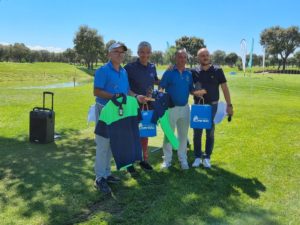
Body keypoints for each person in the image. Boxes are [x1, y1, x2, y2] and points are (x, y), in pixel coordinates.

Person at [93, 42, 139, 193]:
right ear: (109, 54)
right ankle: (99, 178)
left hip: (118, 112)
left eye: (122, 52)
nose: (120, 54)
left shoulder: (123, 71)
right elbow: (97, 91)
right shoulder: (103, 71)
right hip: (104, 110)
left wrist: (137, 96)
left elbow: (127, 91)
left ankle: (107, 174)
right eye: (116, 51)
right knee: (102, 145)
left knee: (112, 144)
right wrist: (114, 96)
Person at [159, 49, 206, 170]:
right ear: (176, 58)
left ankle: (183, 159)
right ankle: (167, 160)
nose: (182, 59)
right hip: (170, 108)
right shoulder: (169, 72)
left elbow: (191, 89)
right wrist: (160, 102)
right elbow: (161, 87)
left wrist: (198, 93)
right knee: (169, 135)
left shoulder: (188, 74)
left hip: (185, 108)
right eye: (180, 57)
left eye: (185, 57)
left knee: (183, 136)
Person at [191, 48, 234, 168]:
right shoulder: (193, 71)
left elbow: (225, 88)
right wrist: (195, 92)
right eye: (202, 56)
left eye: (207, 55)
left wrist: (229, 105)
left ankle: (207, 157)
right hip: (199, 106)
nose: (205, 57)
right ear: (198, 58)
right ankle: (197, 157)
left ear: (209, 56)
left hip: (213, 106)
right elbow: (189, 89)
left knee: (210, 132)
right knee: (197, 133)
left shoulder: (217, 70)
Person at [124, 41, 159, 172]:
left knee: (144, 134)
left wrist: (168, 76)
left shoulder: (152, 67)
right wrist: (136, 96)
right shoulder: (129, 67)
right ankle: (129, 163)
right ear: (138, 53)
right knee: (132, 134)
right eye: (142, 52)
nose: (145, 55)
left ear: (150, 53)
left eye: (147, 52)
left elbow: (155, 81)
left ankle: (144, 160)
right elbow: (125, 88)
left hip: (147, 106)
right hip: (133, 106)